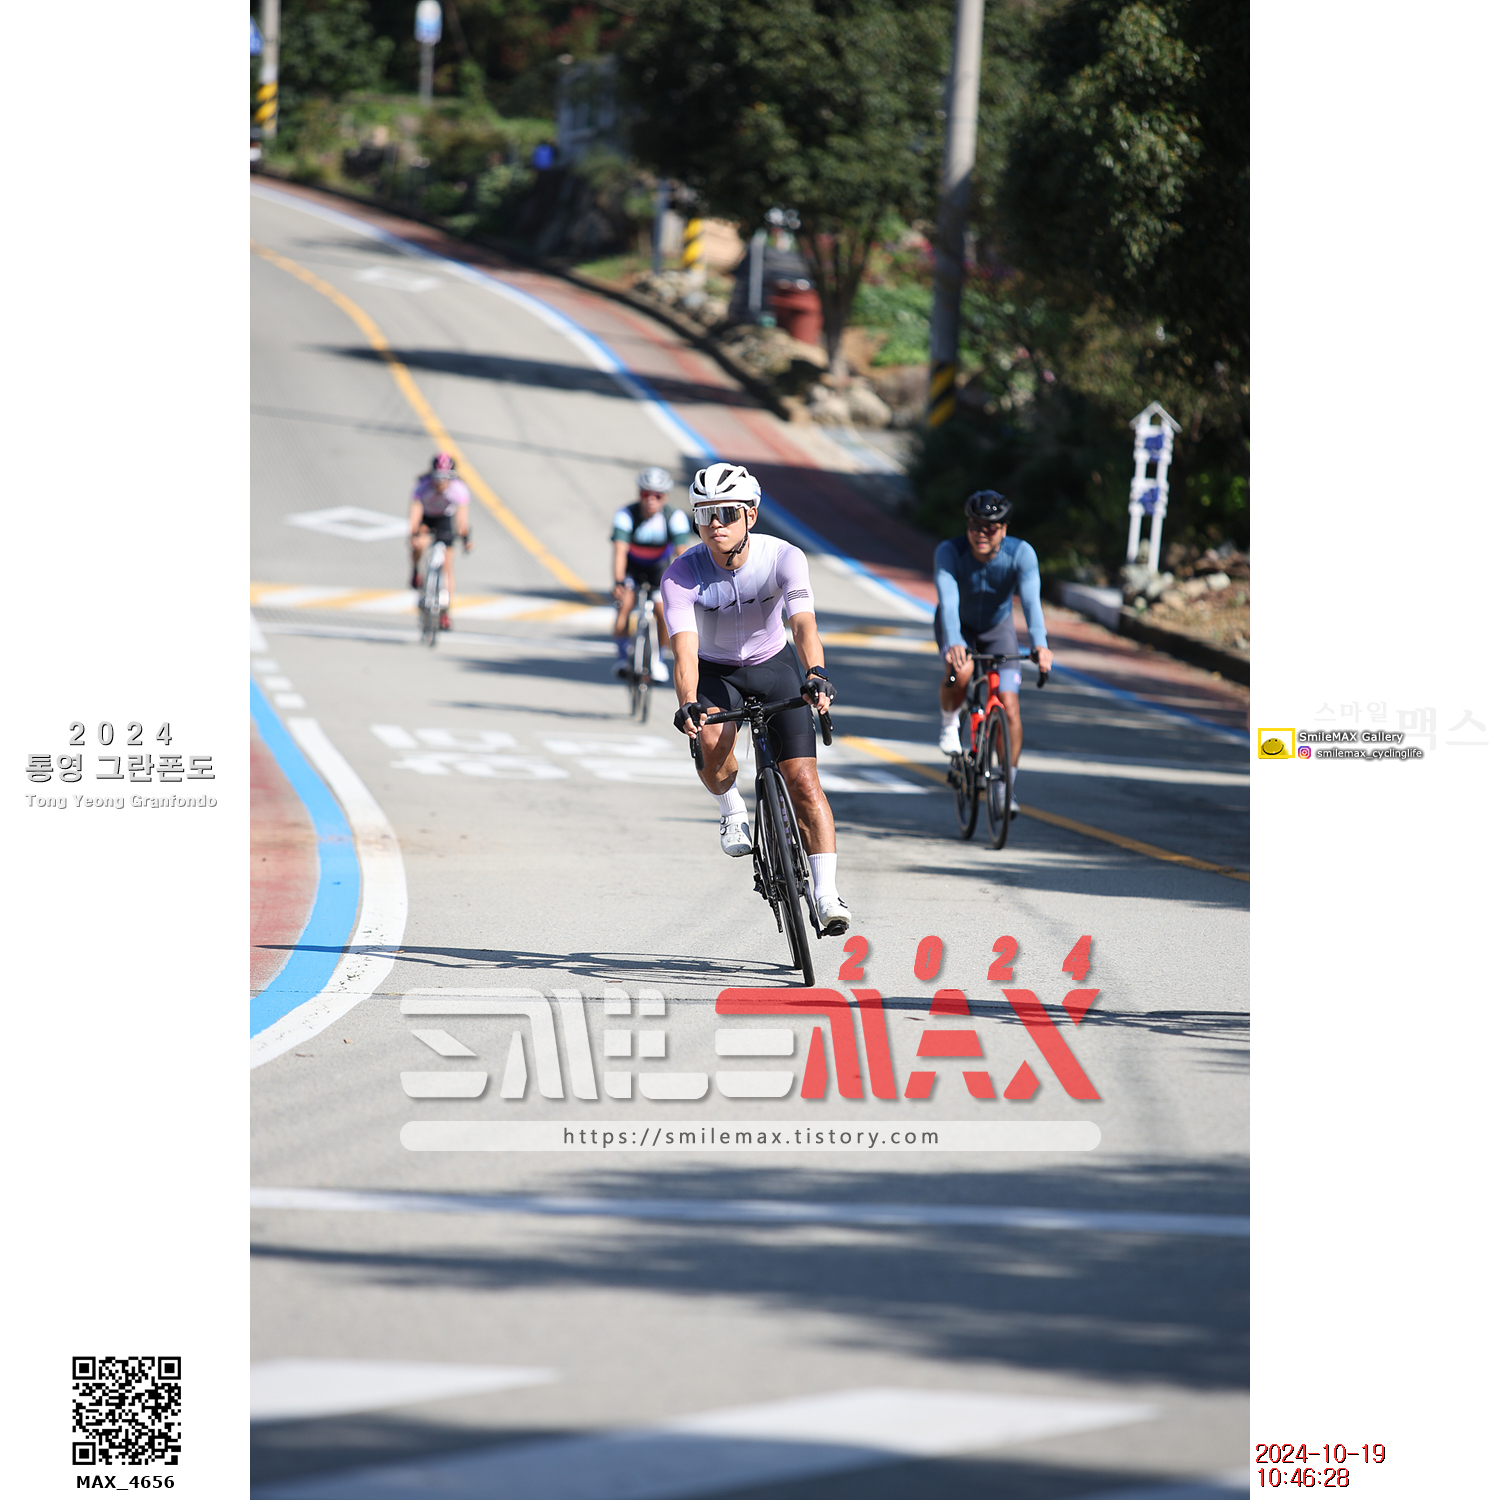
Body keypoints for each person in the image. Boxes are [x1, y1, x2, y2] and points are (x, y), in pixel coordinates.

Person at [663, 462, 851, 936]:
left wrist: (816, 673)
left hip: (773, 665)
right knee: (711, 742)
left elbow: (803, 624)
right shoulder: (681, 574)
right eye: (704, 514)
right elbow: (683, 650)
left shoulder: (783, 557)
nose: (715, 524)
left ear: (750, 514)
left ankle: (826, 894)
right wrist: (688, 701)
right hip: (715, 670)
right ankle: (732, 809)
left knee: (803, 781)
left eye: (726, 513)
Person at [934, 490, 1054, 810]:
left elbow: (1031, 603)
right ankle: (949, 723)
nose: (981, 534)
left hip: (997, 629)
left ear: (1004, 529)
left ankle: (1005, 785)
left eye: (990, 527)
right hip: (957, 626)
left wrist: (1040, 645)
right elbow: (948, 601)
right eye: (974, 526)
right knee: (962, 671)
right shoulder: (950, 551)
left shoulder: (1021, 554)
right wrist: (955, 640)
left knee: (1009, 706)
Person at [611, 467, 693, 682]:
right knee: (624, 606)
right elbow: (620, 551)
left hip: (659, 570)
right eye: (646, 494)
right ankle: (622, 658)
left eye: (657, 495)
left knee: (663, 612)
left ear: (665, 497)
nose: (651, 500)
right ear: (639, 494)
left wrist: (685, 584)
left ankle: (658, 659)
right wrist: (618, 581)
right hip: (633, 568)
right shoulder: (626, 515)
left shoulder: (674, 517)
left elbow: (681, 553)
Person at [408, 453, 472, 631]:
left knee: (447, 565)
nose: (442, 482)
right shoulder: (423, 487)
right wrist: (413, 535)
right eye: (438, 477)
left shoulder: (459, 489)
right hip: (427, 518)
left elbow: (462, 520)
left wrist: (465, 538)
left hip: (444, 519)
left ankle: (445, 611)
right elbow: (415, 514)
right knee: (419, 545)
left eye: (446, 478)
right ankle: (415, 571)